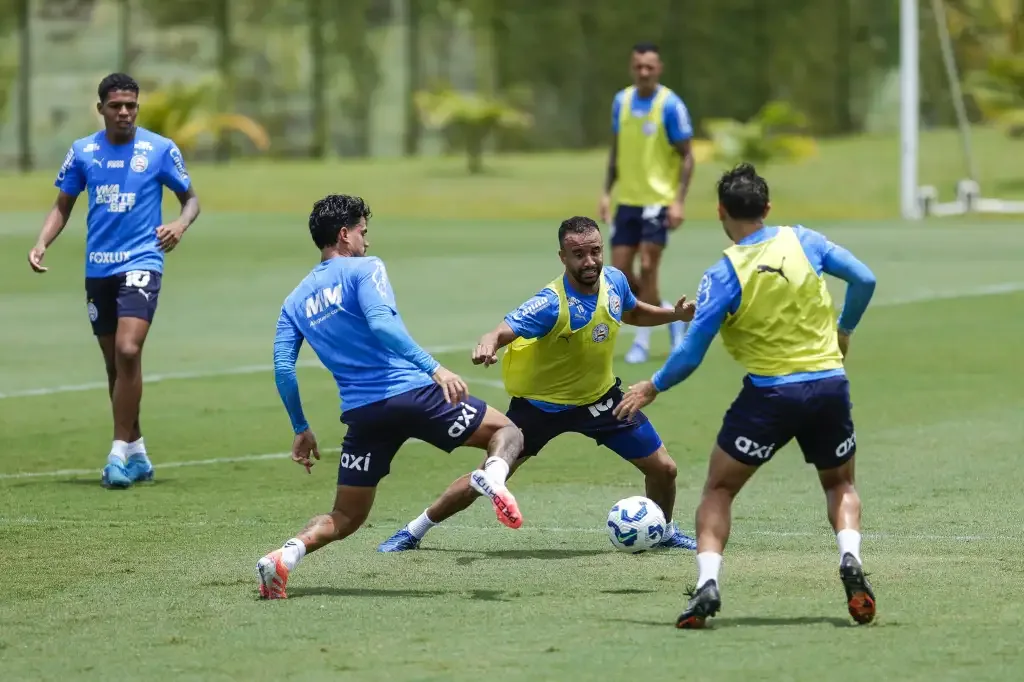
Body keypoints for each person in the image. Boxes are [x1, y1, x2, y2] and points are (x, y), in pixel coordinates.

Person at [615, 163, 878, 628]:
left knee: (719, 488)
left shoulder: (723, 274)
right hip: (828, 386)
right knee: (840, 483)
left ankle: (707, 584)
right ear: (767, 208)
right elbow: (864, 279)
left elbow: (691, 353)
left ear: (720, 211)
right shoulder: (806, 241)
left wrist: (651, 386)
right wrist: (845, 330)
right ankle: (849, 559)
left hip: (770, 398)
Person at [256, 195, 525, 600]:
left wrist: (300, 426)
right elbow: (381, 323)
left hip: (363, 415)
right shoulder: (366, 268)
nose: (366, 241)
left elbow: (282, 367)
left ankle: (284, 556)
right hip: (413, 394)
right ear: (344, 235)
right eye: (363, 232)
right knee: (507, 433)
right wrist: (435, 368)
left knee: (346, 515)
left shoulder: (294, 301)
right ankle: (494, 477)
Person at [378, 216, 698, 553]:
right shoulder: (549, 304)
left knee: (665, 468)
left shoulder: (614, 280)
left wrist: (674, 316)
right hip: (539, 408)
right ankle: (413, 531)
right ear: (562, 256)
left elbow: (631, 312)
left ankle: (663, 530)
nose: (589, 261)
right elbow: (501, 330)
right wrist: (489, 343)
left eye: (595, 251)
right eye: (578, 254)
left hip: (600, 399)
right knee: (487, 478)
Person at [27, 72, 201, 489]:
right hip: (98, 268)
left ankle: (116, 454)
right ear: (101, 108)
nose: (125, 112)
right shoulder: (83, 152)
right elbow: (62, 206)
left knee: (128, 348)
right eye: (117, 105)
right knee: (116, 365)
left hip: (142, 261)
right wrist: (41, 242)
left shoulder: (159, 150)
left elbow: (190, 199)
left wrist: (179, 224)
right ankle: (137, 452)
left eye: (131, 106)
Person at [598, 42, 697, 365]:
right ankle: (669, 314)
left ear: (659, 68)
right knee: (621, 273)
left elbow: (687, 157)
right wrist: (605, 193)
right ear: (631, 68)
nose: (643, 72)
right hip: (627, 200)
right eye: (638, 66)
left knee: (650, 265)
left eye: (649, 66)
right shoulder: (621, 102)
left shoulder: (670, 105)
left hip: (658, 201)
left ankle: (641, 340)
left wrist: (678, 201)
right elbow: (616, 152)